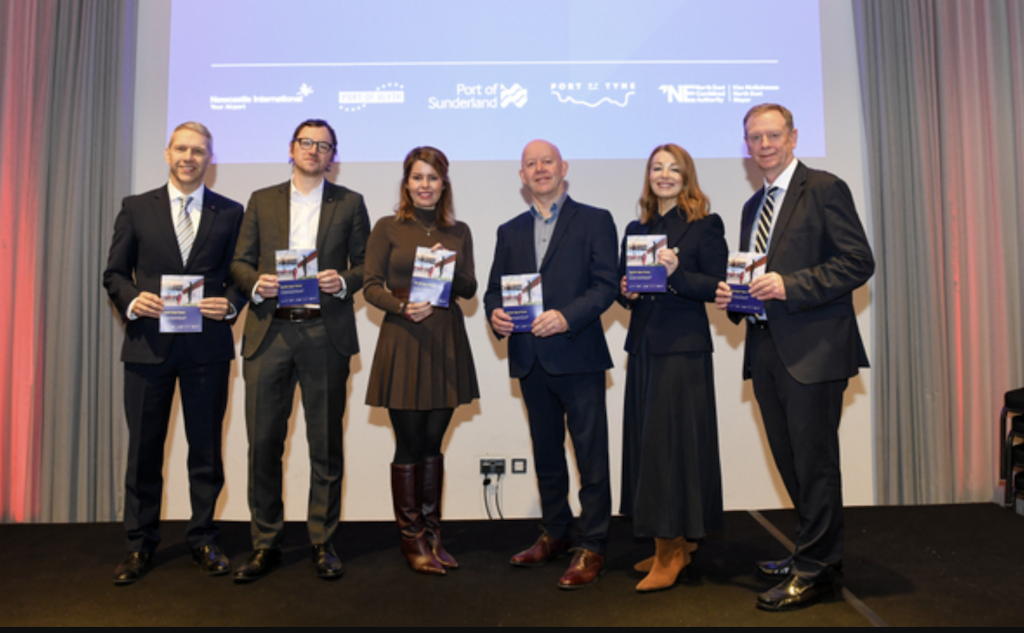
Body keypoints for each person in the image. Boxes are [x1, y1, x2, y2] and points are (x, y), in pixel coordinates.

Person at [714, 104, 874, 611]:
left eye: (773, 135)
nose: (764, 145)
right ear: (746, 145)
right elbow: (756, 277)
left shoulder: (824, 188)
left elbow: (858, 261)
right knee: (790, 461)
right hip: (765, 349)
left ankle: (815, 571)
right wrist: (734, 298)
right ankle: (814, 552)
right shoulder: (751, 207)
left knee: (815, 464)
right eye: (755, 137)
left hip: (814, 352)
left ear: (793, 137)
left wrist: (790, 285)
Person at [103, 122, 245, 584]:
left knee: (206, 452)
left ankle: (203, 539)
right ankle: (139, 546)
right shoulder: (136, 207)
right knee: (143, 452)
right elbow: (114, 273)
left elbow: (242, 274)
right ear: (168, 154)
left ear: (209, 159)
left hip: (207, 348)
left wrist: (231, 305)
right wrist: (131, 299)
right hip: (148, 348)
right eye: (181, 149)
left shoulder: (231, 212)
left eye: (198, 151)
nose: (189, 157)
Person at [230, 119, 370, 582]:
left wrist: (342, 281)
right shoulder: (261, 200)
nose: (314, 150)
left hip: (324, 332)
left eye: (323, 145)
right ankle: (265, 543)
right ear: (291, 149)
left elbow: (366, 265)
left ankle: (322, 541)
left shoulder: (350, 203)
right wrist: (257, 283)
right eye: (306, 142)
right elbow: (239, 262)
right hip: (269, 332)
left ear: (333, 156)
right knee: (263, 443)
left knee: (325, 444)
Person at [484, 139, 618, 589]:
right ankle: (556, 532)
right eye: (531, 164)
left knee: (590, 456)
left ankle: (593, 543)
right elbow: (494, 291)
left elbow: (605, 286)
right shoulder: (509, 231)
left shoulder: (595, 220)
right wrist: (496, 315)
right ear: (522, 175)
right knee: (546, 455)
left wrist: (566, 316)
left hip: (578, 354)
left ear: (564, 167)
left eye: (547, 161)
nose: (540, 169)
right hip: (530, 359)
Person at [363, 146, 479, 575]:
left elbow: (468, 288)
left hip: (446, 340)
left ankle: (432, 534)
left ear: (443, 183)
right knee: (409, 444)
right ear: (407, 183)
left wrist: (451, 269)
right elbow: (370, 286)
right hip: (404, 339)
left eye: (432, 177)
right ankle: (410, 539)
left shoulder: (459, 230)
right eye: (417, 177)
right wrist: (401, 306)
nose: (425, 185)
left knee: (433, 445)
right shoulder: (387, 227)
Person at [618, 144, 727, 592]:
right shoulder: (637, 229)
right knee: (651, 448)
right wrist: (626, 290)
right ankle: (674, 541)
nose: (664, 174)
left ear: (687, 177)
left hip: (682, 351)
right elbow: (627, 291)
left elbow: (718, 285)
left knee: (671, 449)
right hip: (644, 348)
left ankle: (672, 552)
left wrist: (677, 272)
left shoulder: (705, 225)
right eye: (657, 168)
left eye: (674, 168)